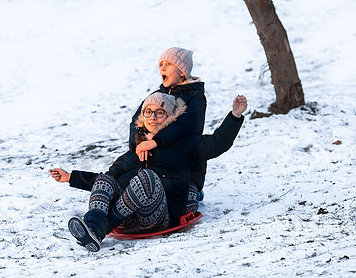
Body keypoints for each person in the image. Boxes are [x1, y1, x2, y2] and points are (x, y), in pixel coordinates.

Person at [50, 92, 247, 252]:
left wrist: (235, 116)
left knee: (147, 178)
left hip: (158, 216)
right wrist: (70, 177)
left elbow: (217, 143)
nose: (153, 117)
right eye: (148, 112)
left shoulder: (186, 145)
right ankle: (93, 227)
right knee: (106, 180)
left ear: (170, 117)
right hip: (126, 220)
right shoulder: (134, 150)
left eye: (159, 112)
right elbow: (107, 181)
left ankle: (100, 228)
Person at [129, 47, 208, 211]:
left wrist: (156, 141)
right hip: (157, 164)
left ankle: (193, 192)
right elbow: (136, 122)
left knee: (183, 198)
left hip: (185, 166)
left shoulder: (195, 96)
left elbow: (190, 124)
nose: (162, 68)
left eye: (169, 64)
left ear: (182, 72)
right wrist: (139, 144)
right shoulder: (157, 95)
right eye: (161, 64)